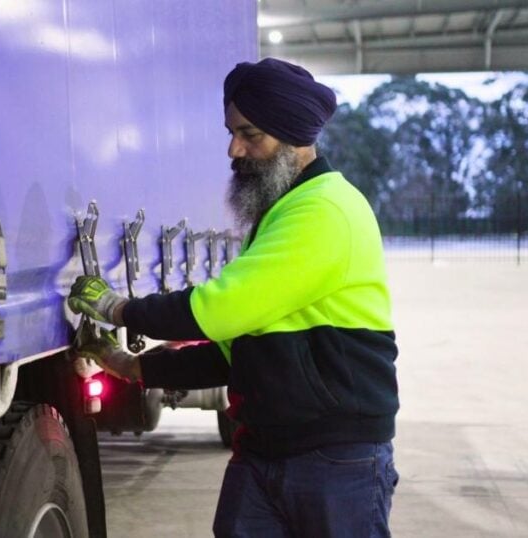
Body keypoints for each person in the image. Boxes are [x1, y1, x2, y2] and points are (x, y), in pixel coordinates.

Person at [68, 57, 399, 538]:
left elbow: (221, 308)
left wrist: (118, 309)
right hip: (265, 450)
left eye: (250, 135)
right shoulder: (280, 213)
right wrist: (127, 365)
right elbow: (236, 350)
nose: (233, 149)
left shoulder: (326, 210)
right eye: (232, 132)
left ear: (294, 139)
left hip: (335, 457)